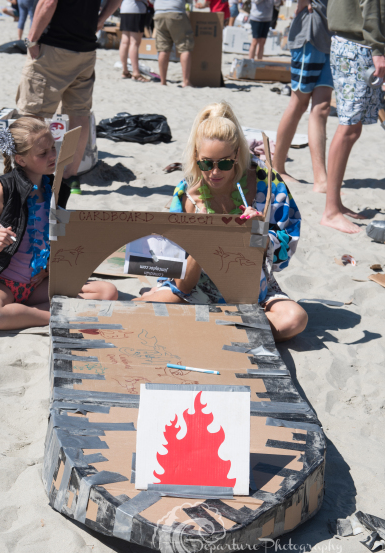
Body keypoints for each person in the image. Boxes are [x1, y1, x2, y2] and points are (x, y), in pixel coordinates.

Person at [137, 102, 307, 342]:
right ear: (197, 156)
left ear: (237, 154)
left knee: (294, 319)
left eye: (224, 163)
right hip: (198, 284)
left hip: (252, 286)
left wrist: (259, 233)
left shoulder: (265, 183)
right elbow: (177, 277)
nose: (215, 172)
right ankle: (231, 330)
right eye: (206, 163)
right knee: (145, 310)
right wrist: (202, 242)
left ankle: (207, 329)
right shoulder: (188, 195)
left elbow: (286, 245)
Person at [0, 117, 118, 331]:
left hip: (37, 281)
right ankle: (55, 314)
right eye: (42, 153)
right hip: (1, 281)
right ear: (21, 160)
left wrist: (50, 265)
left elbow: (54, 235)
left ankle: (35, 312)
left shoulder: (55, 188)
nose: (52, 155)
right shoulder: (2, 189)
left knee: (108, 291)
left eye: (52, 147)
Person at [16, 0, 122, 184]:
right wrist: (100, 19)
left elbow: (48, 3)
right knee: (79, 114)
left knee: (33, 116)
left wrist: (32, 39)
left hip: (54, 45)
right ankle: (70, 177)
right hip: (85, 48)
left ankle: (32, 177)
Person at [321, 0, 385, 234]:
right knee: (348, 128)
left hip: (351, 42)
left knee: (352, 128)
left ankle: (334, 204)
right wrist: (378, 48)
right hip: (358, 45)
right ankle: (330, 211)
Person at [273, 0, 332, 193]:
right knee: (299, 103)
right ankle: (277, 167)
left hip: (332, 38)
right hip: (310, 34)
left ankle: (320, 178)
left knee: (322, 107)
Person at [153, 0, 194, 87]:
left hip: (159, 12)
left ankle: (163, 81)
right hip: (176, 11)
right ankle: (186, 82)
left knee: (163, 48)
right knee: (184, 46)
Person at [119, 0, 150, 82]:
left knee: (124, 42)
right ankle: (136, 73)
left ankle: (125, 71)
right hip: (136, 10)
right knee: (134, 43)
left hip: (125, 8)